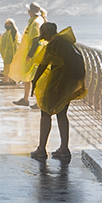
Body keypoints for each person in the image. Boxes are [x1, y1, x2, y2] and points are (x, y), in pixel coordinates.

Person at [29, 23, 87, 162]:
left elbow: (43, 64)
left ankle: (41, 149)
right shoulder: (66, 42)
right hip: (70, 83)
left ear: (48, 32)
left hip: (58, 82)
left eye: (44, 34)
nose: (44, 37)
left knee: (45, 112)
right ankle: (64, 149)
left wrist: (34, 81)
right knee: (62, 114)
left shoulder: (54, 44)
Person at [14, 2, 47, 105]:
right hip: (34, 53)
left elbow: (36, 40)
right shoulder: (35, 21)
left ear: (30, 12)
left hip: (35, 55)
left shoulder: (36, 23)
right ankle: (26, 99)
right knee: (27, 76)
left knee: (35, 78)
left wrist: (30, 54)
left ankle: (39, 101)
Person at [0, 18, 20, 83]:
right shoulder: (5, 33)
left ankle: (13, 80)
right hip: (6, 53)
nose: (8, 25)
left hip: (13, 52)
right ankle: (6, 80)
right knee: (6, 66)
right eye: (7, 24)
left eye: (10, 23)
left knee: (13, 66)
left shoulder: (13, 32)